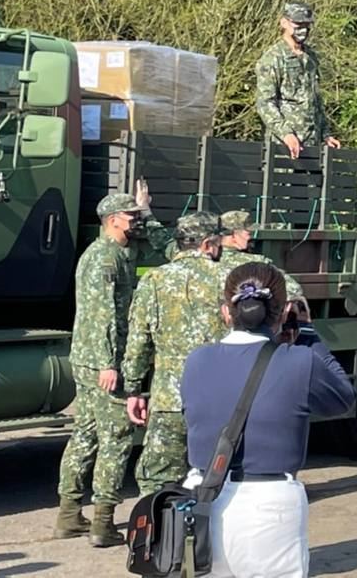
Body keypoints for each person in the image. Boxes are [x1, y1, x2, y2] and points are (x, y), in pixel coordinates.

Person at [181, 262, 354, 578]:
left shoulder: (196, 361)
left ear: (226, 312)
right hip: (269, 505)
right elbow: (343, 398)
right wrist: (308, 334)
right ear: (283, 311)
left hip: (202, 500)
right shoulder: (300, 361)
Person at [54, 184, 171, 547]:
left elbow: (165, 248)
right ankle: (103, 524)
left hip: (88, 360)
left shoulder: (118, 251)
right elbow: (104, 315)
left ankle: (69, 514)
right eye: (131, 217)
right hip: (103, 363)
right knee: (116, 440)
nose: (136, 222)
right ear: (113, 220)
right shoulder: (105, 258)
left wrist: (147, 210)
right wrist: (110, 364)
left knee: (85, 434)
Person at [122, 211, 227, 498]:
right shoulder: (227, 279)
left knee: (157, 480)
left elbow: (138, 342)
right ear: (207, 244)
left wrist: (133, 390)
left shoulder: (154, 280)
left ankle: (155, 537)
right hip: (217, 401)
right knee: (217, 476)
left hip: (169, 400)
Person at [254, 2, 341, 160]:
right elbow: (265, 103)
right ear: (284, 23)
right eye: (298, 24)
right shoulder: (273, 58)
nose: (303, 29)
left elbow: (316, 100)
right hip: (284, 149)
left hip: (312, 146)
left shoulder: (311, 58)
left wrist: (326, 135)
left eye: (307, 25)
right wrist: (286, 134)